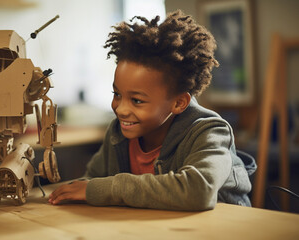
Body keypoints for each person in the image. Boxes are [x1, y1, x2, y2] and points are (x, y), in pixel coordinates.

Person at [48, 10, 256, 211]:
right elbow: (92, 181)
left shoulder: (209, 132)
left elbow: (199, 191)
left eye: (137, 100)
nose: (120, 109)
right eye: (117, 94)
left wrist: (106, 189)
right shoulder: (118, 133)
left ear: (179, 103)